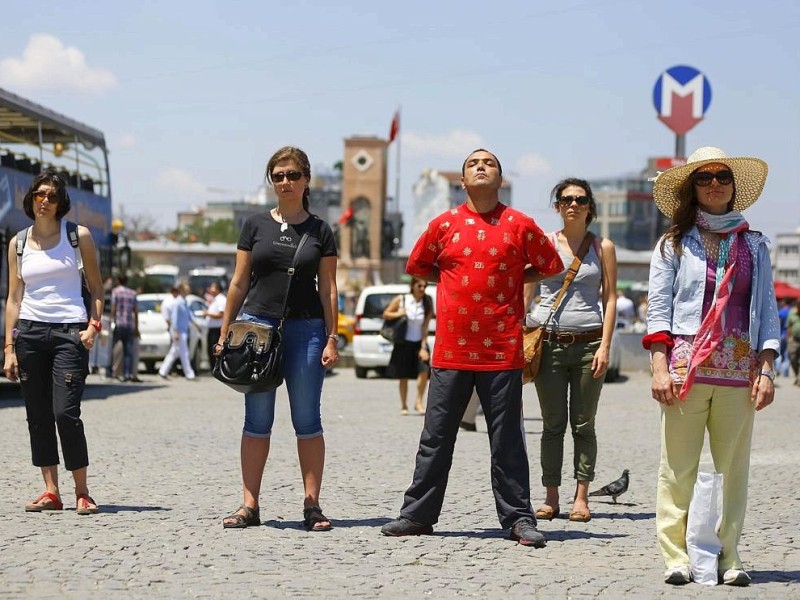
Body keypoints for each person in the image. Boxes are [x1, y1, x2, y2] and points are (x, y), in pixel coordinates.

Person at [380, 149, 563, 546]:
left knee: (507, 439)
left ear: (501, 179)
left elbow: (552, 266)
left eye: (490, 163)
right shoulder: (443, 224)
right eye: (473, 164)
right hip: (451, 349)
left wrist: (517, 275)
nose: (481, 167)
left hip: (502, 348)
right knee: (435, 436)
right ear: (462, 181)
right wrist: (448, 276)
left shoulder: (520, 224)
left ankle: (518, 519)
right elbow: (417, 265)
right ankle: (417, 515)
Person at [644, 147, 779, 586]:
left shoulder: (754, 245)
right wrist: (659, 366)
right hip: (686, 369)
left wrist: (766, 368)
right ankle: (676, 555)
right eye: (704, 178)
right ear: (692, 189)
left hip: (739, 369)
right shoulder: (673, 244)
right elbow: (659, 308)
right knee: (677, 466)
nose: (715, 183)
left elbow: (768, 310)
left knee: (732, 467)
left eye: (722, 176)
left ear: (734, 185)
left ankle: (729, 555)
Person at [218, 146, 339, 531]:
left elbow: (329, 290)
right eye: (278, 175)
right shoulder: (254, 225)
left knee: (307, 420)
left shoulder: (321, 230)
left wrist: (332, 337)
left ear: (306, 180)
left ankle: (312, 504)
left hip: (306, 330)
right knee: (256, 420)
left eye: (292, 175)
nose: (285, 182)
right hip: (257, 329)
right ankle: (249, 505)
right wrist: (225, 330)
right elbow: (238, 282)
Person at [3, 171, 105, 515]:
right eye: (39, 194)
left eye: (51, 196)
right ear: (30, 198)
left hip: (69, 333)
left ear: (62, 203)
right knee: (38, 415)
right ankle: (51, 491)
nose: (44, 201)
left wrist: (93, 326)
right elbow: (14, 298)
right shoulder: (18, 242)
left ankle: (82, 491)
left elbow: (96, 287)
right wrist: (8, 348)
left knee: (65, 412)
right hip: (30, 333)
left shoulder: (78, 237)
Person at [525, 178, 617, 524]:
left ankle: (581, 497)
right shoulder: (545, 244)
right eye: (566, 199)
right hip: (549, 344)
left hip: (589, 343)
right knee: (552, 425)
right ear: (557, 206)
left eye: (580, 199)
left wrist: (605, 345)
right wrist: (523, 331)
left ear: (589, 206)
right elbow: (528, 289)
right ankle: (551, 496)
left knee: (583, 424)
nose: (573, 204)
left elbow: (610, 298)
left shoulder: (602, 246)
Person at [382, 276, 433, 415]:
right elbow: (386, 314)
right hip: (403, 342)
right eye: (419, 286)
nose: (422, 289)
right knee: (403, 375)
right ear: (413, 286)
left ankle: (418, 402)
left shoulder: (427, 302)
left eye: (424, 287)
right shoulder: (402, 299)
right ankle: (404, 405)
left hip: (419, 343)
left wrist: (424, 347)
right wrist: (399, 313)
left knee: (424, 370)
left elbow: (425, 326)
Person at [158, 282, 196, 380]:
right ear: (182, 290)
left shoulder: (184, 301)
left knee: (174, 352)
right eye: (187, 288)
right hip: (179, 331)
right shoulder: (177, 302)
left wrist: (197, 325)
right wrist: (175, 331)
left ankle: (163, 371)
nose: (189, 289)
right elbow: (174, 318)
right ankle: (189, 374)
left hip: (183, 330)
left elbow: (189, 316)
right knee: (184, 352)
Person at [107, 275, 139, 382]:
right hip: (129, 325)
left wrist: (111, 320)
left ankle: (113, 371)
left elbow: (114, 307)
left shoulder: (116, 292)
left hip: (119, 324)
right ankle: (127, 374)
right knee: (128, 351)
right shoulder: (132, 293)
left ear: (118, 281)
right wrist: (136, 327)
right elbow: (135, 311)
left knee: (114, 348)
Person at [203, 282, 226, 369]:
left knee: (215, 350)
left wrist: (207, 314)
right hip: (212, 329)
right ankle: (214, 368)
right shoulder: (215, 299)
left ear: (217, 289)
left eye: (212, 287)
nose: (210, 289)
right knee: (210, 350)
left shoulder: (221, 300)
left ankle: (217, 368)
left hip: (217, 330)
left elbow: (220, 315)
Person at [787, 298, 800, 386]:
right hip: (794, 340)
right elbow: (789, 326)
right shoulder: (792, 313)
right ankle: (797, 375)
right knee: (793, 359)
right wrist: (789, 338)